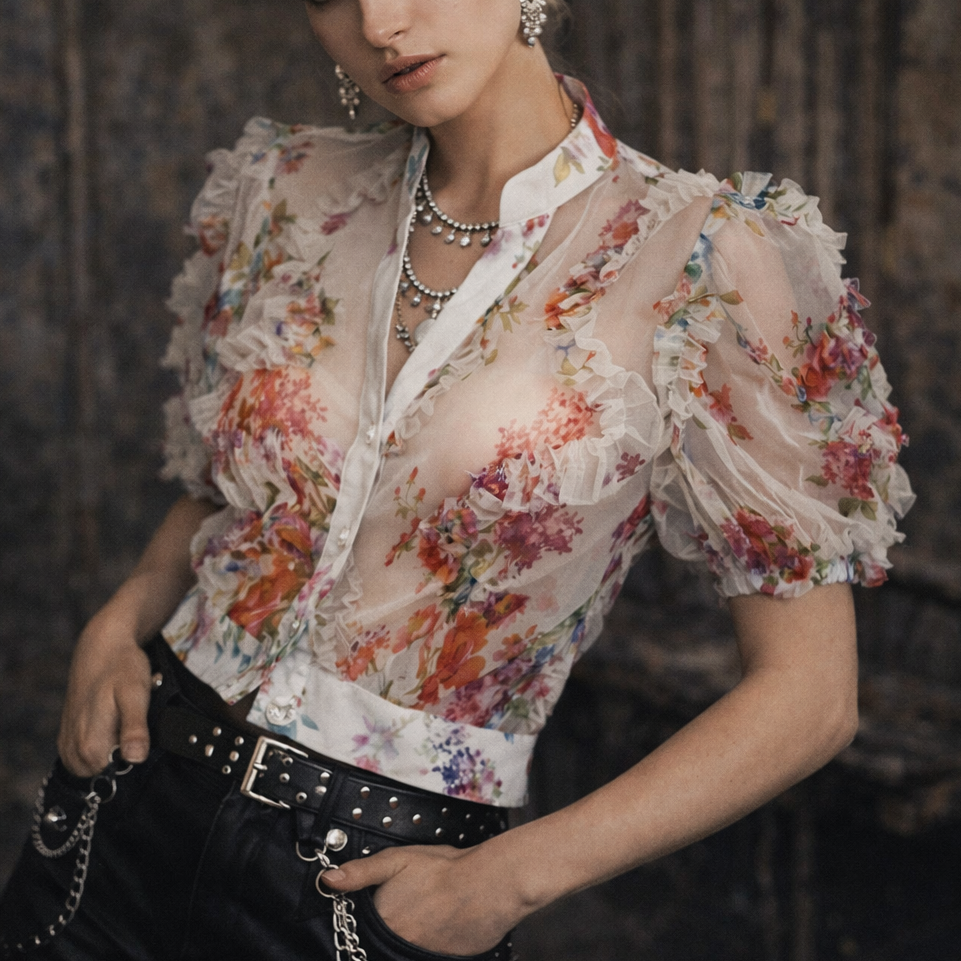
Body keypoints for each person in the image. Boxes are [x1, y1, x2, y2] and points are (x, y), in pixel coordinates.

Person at [0, 0, 914, 958]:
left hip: (372, 884)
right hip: (126, 802)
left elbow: (809, 697)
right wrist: (118, 620)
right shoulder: (286, 190)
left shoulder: (705, 260)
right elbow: (229, 489)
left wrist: (510, 880)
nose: (380, 22)